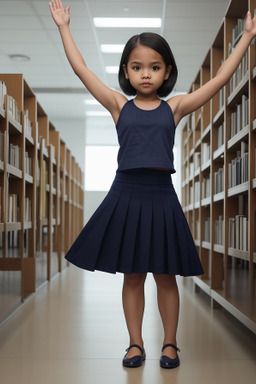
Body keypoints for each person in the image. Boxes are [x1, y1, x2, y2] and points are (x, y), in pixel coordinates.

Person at [49, 0, 256, 369]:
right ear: (126, 73)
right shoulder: (118, 106)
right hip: (125, 194)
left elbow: (220, 79)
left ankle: (170, 345)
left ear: (167, 72)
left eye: (154, 67)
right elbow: (81, 69)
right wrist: (64, 27)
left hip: (161, 197)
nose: (146, 74)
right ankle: (134, 344)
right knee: (132, 275)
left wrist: (247, 38)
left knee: (165, 275)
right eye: (137, 67)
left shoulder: (174, 107)